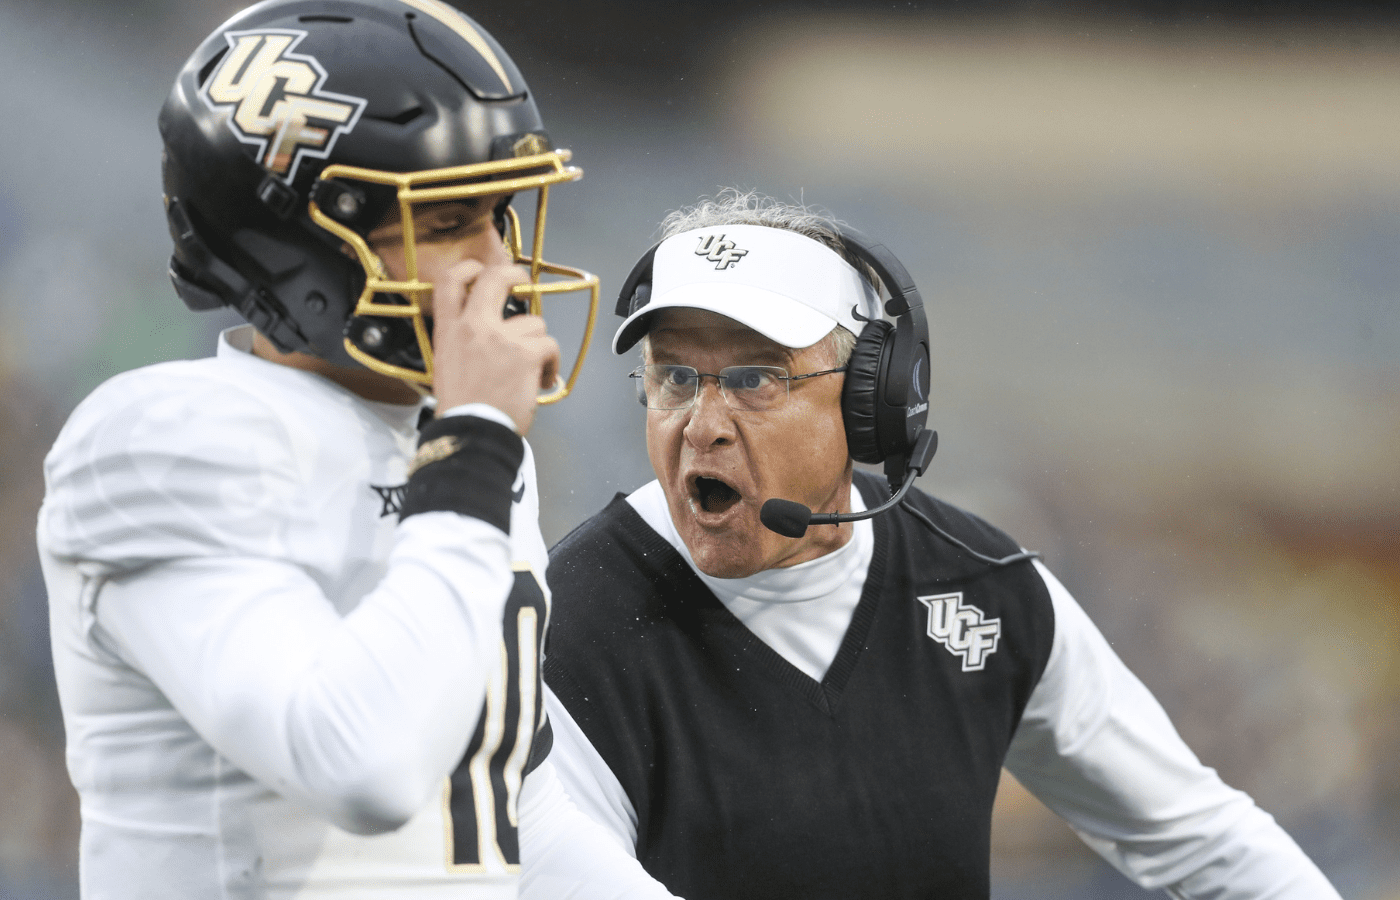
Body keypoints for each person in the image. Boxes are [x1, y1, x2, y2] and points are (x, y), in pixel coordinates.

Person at [36, 2, 675, 897]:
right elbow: (361, 767)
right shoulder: (159, 441)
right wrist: (474, 443)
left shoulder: (469, 448)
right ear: (296, 250)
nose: (499, 266)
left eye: (499, 214)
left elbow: (503, 819)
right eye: (444, 222)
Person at [541, 191, 1345, 900]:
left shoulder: (977, 581)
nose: (703, 425)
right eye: (674, 378)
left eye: (756, 379)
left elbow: (1204, 838)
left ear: (869, 401)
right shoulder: (567, 623)